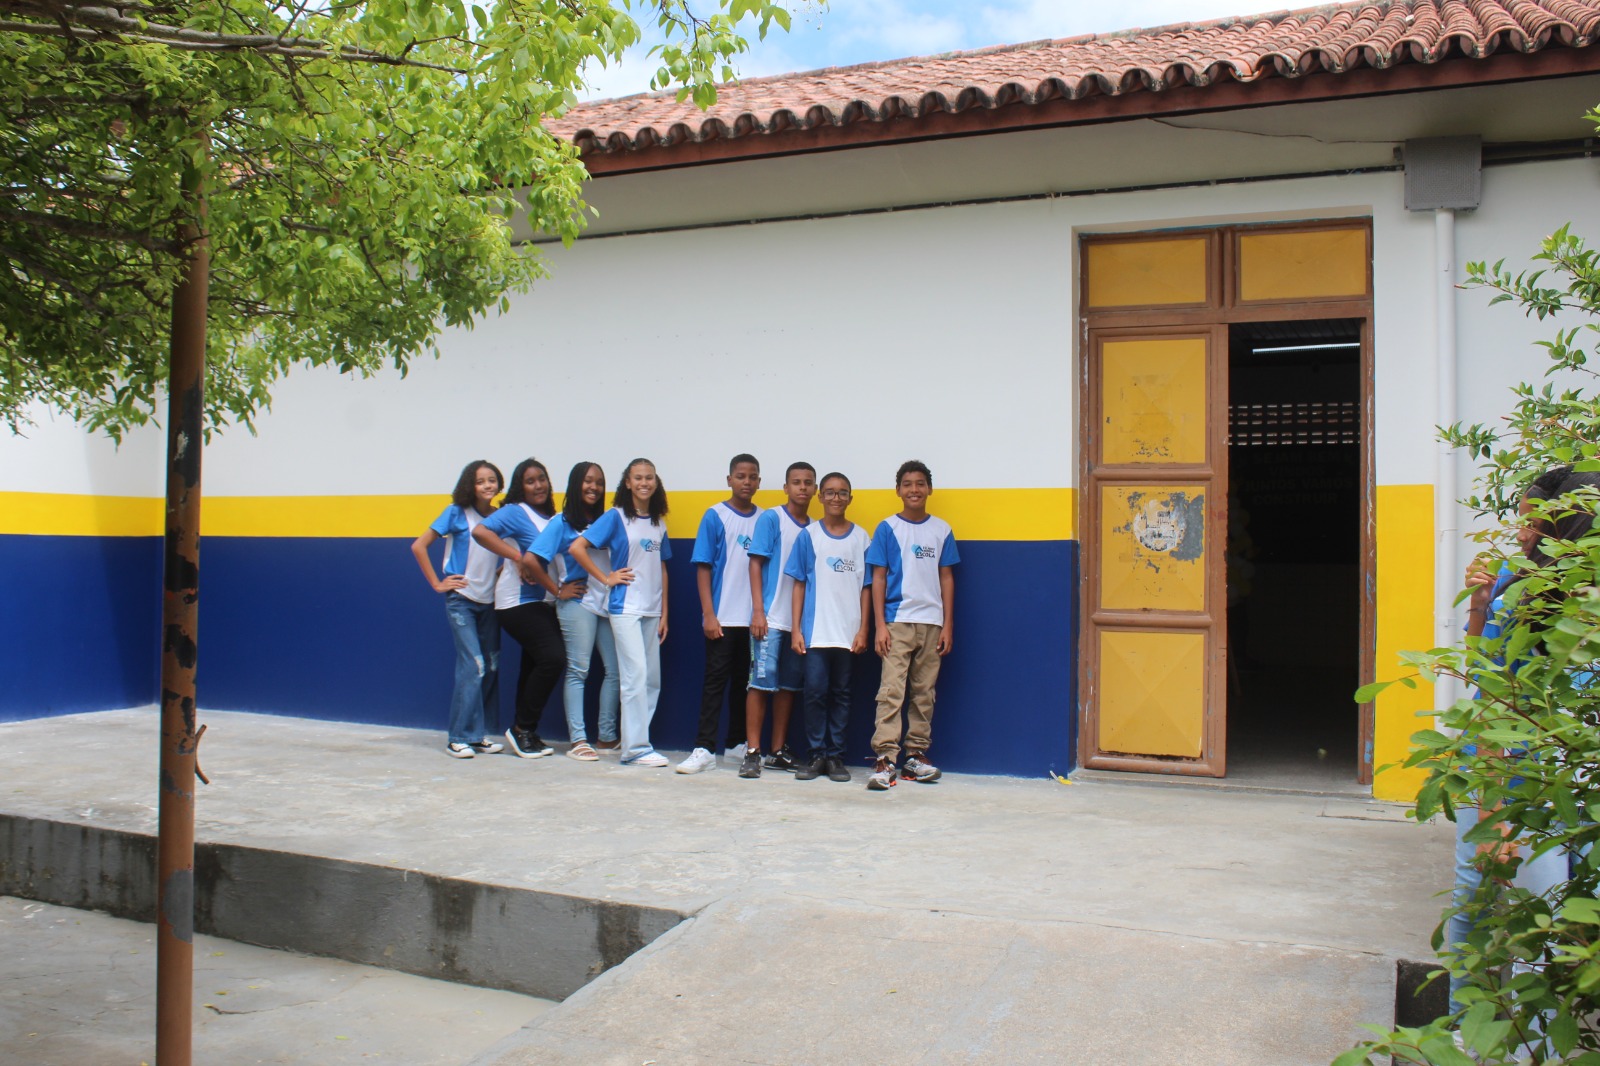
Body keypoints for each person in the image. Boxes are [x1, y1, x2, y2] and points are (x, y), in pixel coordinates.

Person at [1448, 466, 1600, 1013]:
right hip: (1503, 759)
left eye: (1532, 526)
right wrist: (1481, 604)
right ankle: (1464, 1029)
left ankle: (1539, 1042)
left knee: (1563, 911)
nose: (1520, 535)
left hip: (1571, 776)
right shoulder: (1516, 577)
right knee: (1477, 889)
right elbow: (1484, 679)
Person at [570, 458, 672, 768]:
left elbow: (662, 568)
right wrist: (606, 579)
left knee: (651, 679)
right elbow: (577, 547)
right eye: (638, 477)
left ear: (656, 482)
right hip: (624, 607)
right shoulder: (615, 517)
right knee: (634, 676)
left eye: (649, 477)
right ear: (627, 483)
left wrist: (665, 612)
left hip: (652, 611)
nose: (644, 482)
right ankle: (635, 749)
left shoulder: (659, 522)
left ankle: (636, 740)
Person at [864, 460, 959, 791]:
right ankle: (886, 760)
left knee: (923, 693)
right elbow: (877, 578)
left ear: (930, 489)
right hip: (897, 623)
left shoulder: (942, 530)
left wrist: (947, 625)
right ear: (898, 490)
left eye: (920, 483)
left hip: (932, 624)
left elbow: (946, 578)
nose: (914, 490)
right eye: (907, 484)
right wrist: (880, 625)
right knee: (891, 691)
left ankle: (915, 757)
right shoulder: (887, 529)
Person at [410, 459, 507, 759]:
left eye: (492, 480)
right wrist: (438, 584)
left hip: (489, 603)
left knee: (490, 667)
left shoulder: (500, 517)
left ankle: (477, 736)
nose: (487, 485)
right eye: (481, 481)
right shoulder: (455, 513)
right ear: (470, 485)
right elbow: (418, 545)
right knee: (473, 666)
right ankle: (458, 737)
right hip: (461, 601)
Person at [528, 462, 620, 761]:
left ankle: (606, 737)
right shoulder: (561, 523)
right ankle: (578, 740)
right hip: (577, 602)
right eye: (588, 481)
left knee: (615, 670)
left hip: (604, 601)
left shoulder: (608, 519)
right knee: (579, 670)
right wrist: (557, 590)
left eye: (599, 482)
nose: (594, 487)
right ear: (575, 484)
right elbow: (531, 560)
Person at [471, 458, 562, 760]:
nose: (538, 485)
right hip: (516, 601)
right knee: (553, 658)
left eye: (542, 479)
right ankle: (521, 727)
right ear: (519, 487)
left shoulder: (551, 517)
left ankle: (526, 730)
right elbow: (481, 532)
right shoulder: (515, 512)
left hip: (544, 602)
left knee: (534, 664)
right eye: (530, 481)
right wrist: (518, 556)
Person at [678, 453, 762, 775]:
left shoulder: (765, 520)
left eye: (753, 476)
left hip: (753, 621)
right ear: (729, 480)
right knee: (715, 683)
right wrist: (709, 615)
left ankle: (736, 744)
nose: (747, 482)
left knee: (746, 684)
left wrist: (760, 613)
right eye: (740, 476)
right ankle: (704, 748)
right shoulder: (714, 516)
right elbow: (703, 568)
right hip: (723, 618)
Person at [785, 471, 870, 783]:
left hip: (848, 636)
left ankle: (836, 756)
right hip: (816, 634)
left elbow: (867, 588)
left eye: (843, 493)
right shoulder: (809, 537)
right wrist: (796, 629)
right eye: (830, 492)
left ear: (851, 497)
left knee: (843, 694)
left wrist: (863, 630)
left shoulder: (862, 538)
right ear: (820, 497)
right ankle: (816, 754)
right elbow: (798, 585)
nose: (837, 498)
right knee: (815, 693)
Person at [740, 461, 816, 778]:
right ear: (786, 487)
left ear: (815, 489)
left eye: (807, 482)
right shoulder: (772, 519)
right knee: (760, 683)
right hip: (769, 618)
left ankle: (777, 751)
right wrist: (759, 610)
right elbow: (755, 565)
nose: (802, 487)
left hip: (797, 624)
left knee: (787, 687)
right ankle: (753, 752)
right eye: (795, 482)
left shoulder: (815, 529)